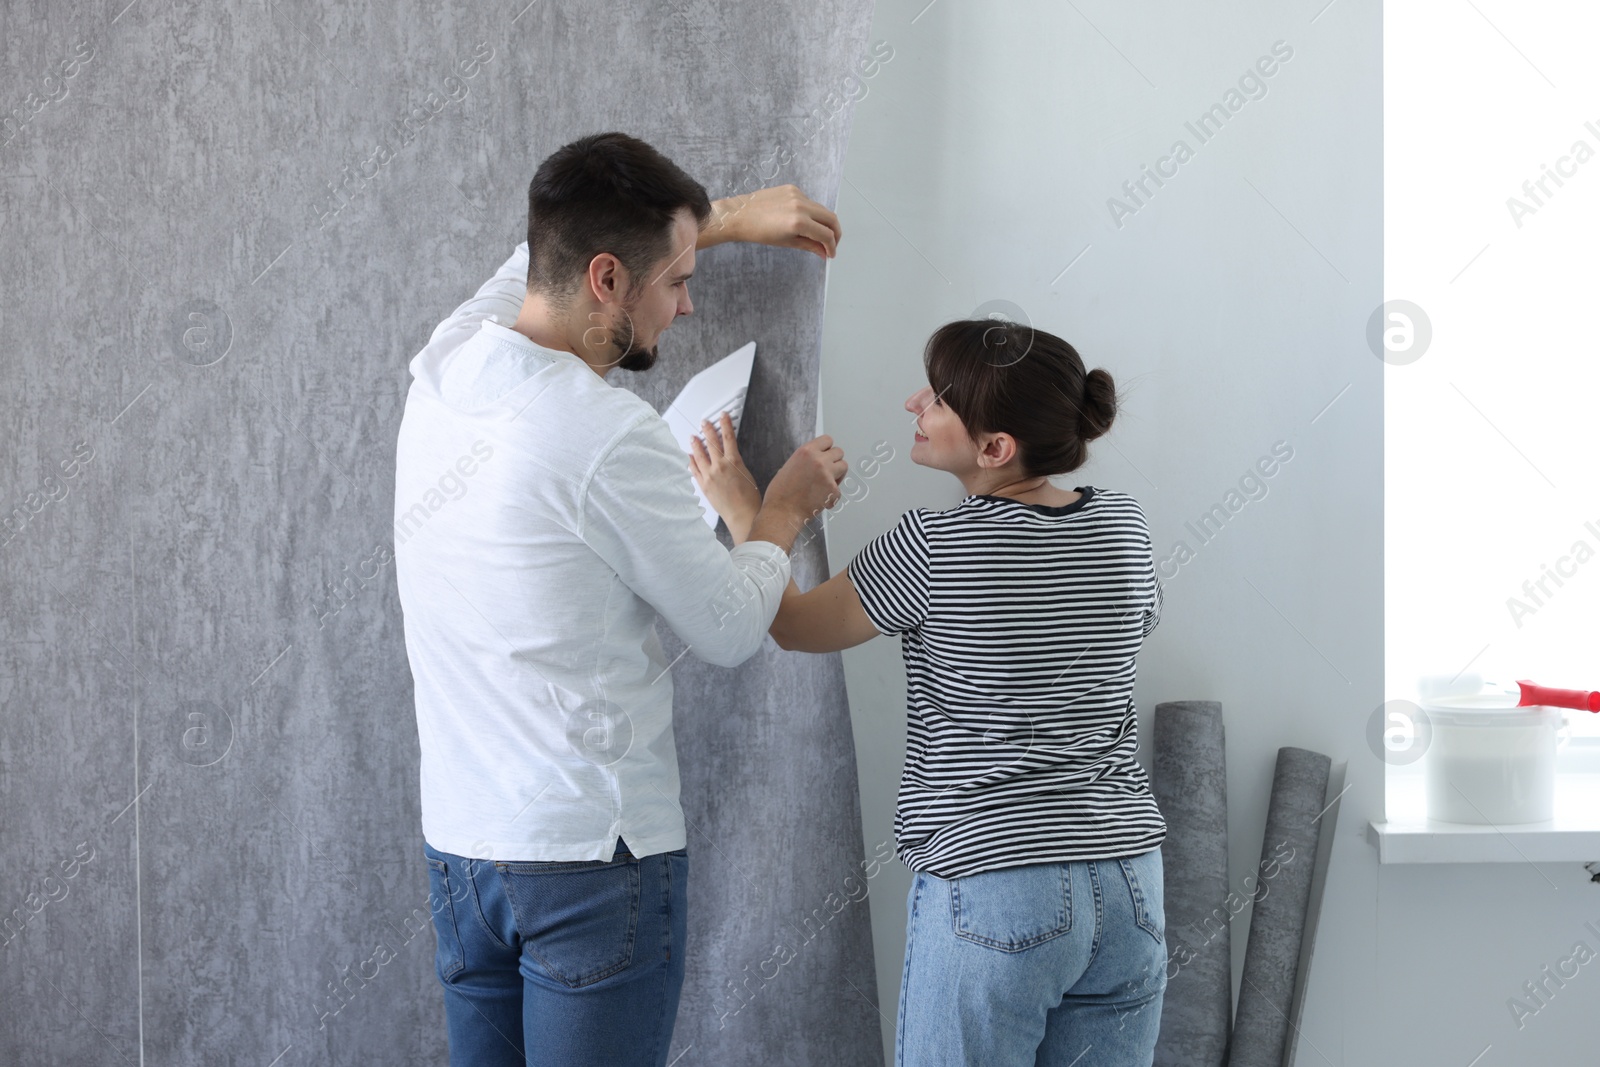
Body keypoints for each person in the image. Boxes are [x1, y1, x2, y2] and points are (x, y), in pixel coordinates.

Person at [393, 131, 849, 1067]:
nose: (687, 303)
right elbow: (726, 629)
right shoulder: (607, 430)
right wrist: (779, 511)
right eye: (676, 280)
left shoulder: (443, 365)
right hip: (591, 870)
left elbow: (532, 252)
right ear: (607, 279)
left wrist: (717, 220)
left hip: (463, 853)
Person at [690, 318, 1168, 1066]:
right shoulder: (1124, 526)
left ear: (995, 449)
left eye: (940, 399)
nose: (916, 401)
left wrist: (756, 506)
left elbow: (791, 624)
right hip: (1130, 884)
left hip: (999, 886)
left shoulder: (934, 545)